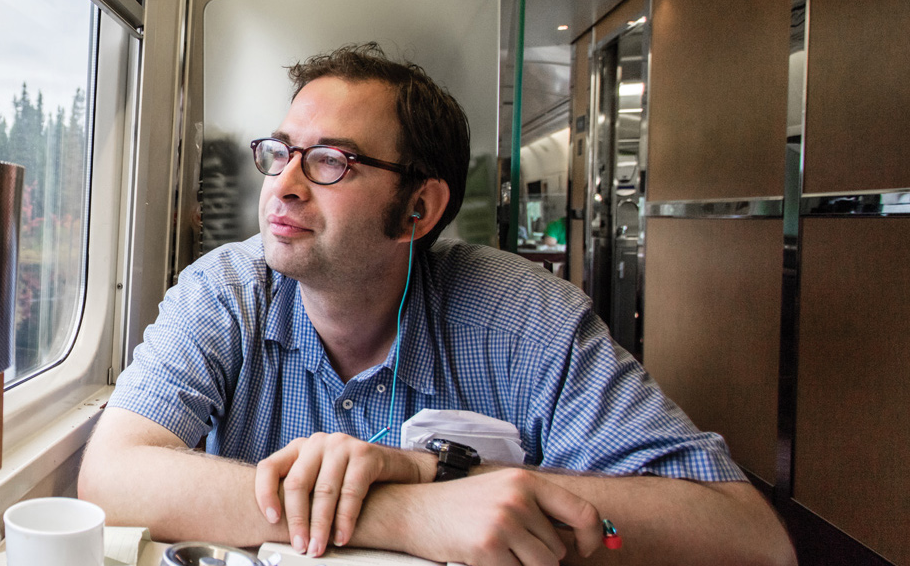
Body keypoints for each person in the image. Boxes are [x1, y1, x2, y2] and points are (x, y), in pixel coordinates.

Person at [77, 43, 794, 566]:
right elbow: (111, 476)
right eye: (281, 152)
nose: (283, 186)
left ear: (420, 207)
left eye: (330, 161)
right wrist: (412, 512)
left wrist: (435, 469)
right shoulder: (225, 292)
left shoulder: (523, 317)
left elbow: (746, 536)